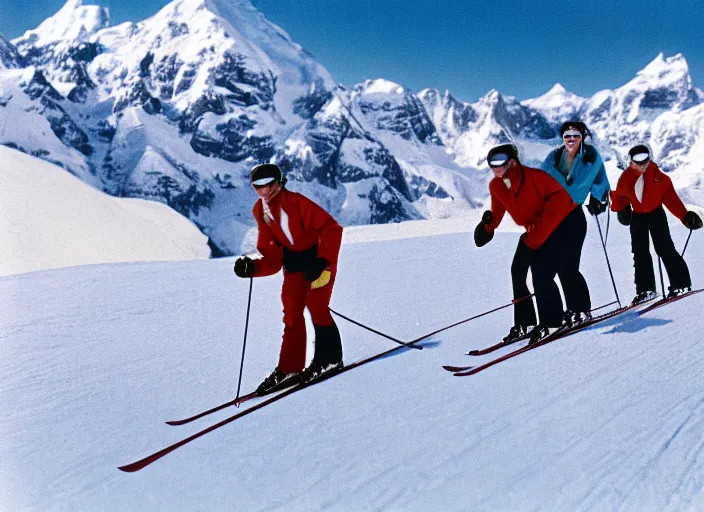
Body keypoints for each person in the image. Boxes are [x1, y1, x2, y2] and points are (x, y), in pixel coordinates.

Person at [233, 163, 344, 395]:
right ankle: (290, 368)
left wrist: (323, 262)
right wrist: (252, 267)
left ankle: (330, 359)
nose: (265, 191)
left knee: (317, 306)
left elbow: (331, 228)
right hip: (294, 266)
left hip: (319, 261)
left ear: (279, 182)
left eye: (270, 185)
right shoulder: (260, 211)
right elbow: (272, 258)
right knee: (292, 313)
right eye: (258, 187)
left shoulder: (297, 202)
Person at [475, 143, 583, 343]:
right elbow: (498, 210)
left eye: (500, 162)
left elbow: (558, 205)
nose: (495, 167)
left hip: (567, 221)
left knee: (555, 269)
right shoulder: (497, 185)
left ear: (512, 162)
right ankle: (527, 322)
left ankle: (572, 314)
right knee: (518, 270)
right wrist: (487, 228)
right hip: (538, 230)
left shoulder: (535, 178)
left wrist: (536, 240)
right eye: (492, 163)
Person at [610, 144, 702, 303]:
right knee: (640, 253)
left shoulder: (660, 178)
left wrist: (685, 216)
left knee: (665, 248)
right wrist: (618, 206)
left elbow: (671, 199)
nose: (641, 166)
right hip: (637, 218)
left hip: (656, 215)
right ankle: (645, 290)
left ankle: (681, 284)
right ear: (631, 162)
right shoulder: (625, 178)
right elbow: (620, 197)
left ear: (649, 159)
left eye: (644, 162)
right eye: (637, 163)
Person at [539, 121, 610, 323]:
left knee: (569, 266)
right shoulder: (552, 158)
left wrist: (598, 199)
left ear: (582, 137)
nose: (571, 139)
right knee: (561, 267)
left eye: (575, 135)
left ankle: (581, 309)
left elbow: (600, 181)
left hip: (573, 217)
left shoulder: (590, 157)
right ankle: (574, 309)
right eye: (567, 136)